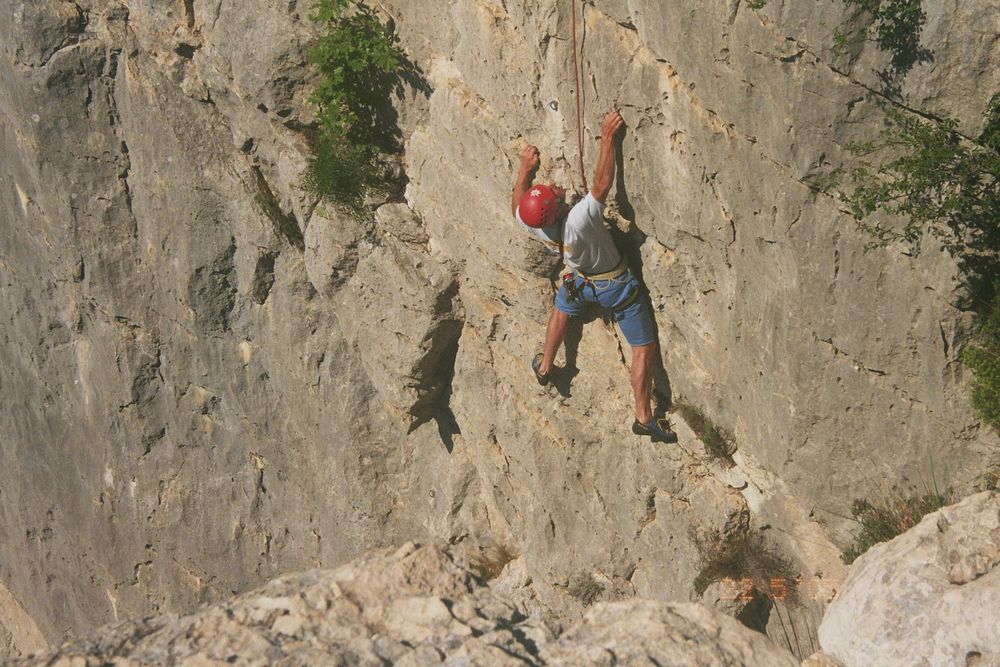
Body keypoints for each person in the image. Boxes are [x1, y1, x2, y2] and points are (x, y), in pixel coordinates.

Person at [511, 110, 677, 443]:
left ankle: (545, 367)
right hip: (615, 288)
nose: (555, 189)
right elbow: (602, 185)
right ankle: (644, 417)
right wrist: (607, 138)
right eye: (553, 194)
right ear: (557, 209)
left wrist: (525, 170)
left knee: (562, 307)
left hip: (578, 283)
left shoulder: (537, 225)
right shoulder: (578, 221)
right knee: (643, 348)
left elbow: (518, 203)